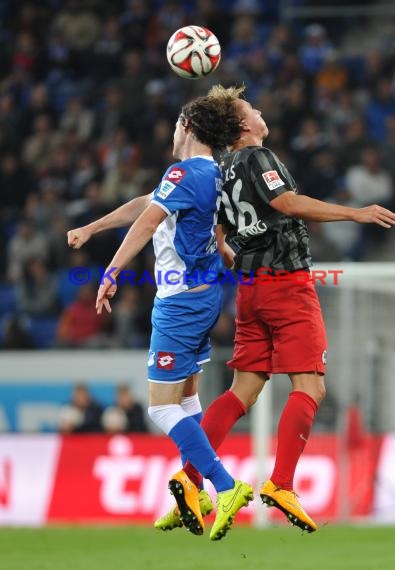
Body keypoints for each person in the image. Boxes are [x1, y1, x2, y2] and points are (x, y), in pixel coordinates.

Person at [154, 84, 395, 534]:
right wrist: (355, 213)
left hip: (249, 289)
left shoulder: (221, 168)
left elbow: (220, 226)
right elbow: (287, 203)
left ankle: (189, 479)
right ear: (244, 126)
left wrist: (229, 253)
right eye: (253, 108)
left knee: (242, 390)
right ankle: (281, 483)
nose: (261, 111)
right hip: (286, 285)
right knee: (311, 386)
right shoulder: (256, 158)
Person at [84, 92, 254, 541]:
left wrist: (111, 271)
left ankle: (226, 485)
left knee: (160, 408)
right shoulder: (212, 174)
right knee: (185, 401)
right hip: (204, 296)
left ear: (189, 127)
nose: (173, 130)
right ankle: (194, 492)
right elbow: (147, 205)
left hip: (178, 303)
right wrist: (93, 227)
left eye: (179, 122)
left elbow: (145, 223)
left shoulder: (183, 172)